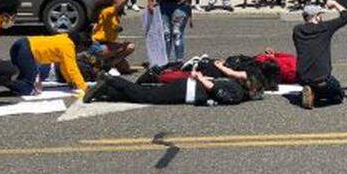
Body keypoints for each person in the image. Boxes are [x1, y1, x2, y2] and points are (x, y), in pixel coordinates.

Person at [84, 67, 256, 106]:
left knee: (148, 93)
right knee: (146, 96)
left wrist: (200, 77)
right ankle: (110, 80)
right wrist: (200, 78)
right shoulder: (237, 94)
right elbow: (215, 89)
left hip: (188, 86)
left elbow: (215, 83)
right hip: (188, 91)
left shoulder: (234, 84)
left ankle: (106, 92)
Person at [293, 0, 347, 109]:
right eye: (320, 15)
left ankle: (311, 91)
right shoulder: (325, 28)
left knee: (315, 85)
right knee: (339, 95)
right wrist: (335, 4)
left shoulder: (297, 30)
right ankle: (316, 94)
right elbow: (346, 17)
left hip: (302, 77)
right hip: (322, 78)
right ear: (316, 17)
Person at [1, 29, 91, 98]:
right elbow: (72, 69)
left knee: (23, 79)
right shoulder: (68, 46)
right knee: (29, 89)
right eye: (83, 49)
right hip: (27, 51)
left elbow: (64, 66)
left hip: (21, 43)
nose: (81, 52)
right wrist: (84, 87)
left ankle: (4, 76)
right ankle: (1, 80)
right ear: (80, 45)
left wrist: (70, 82)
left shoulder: (65, 38)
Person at [90, 0, 136, 74]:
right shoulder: (107, 11)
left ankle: (108, 63)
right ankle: (106, 65)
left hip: (109, 44)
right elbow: (118, 6)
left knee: (125, 68)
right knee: (129, 47)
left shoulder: (114, 15)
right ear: (114, 0)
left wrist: (118, 29)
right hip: (98, 45)